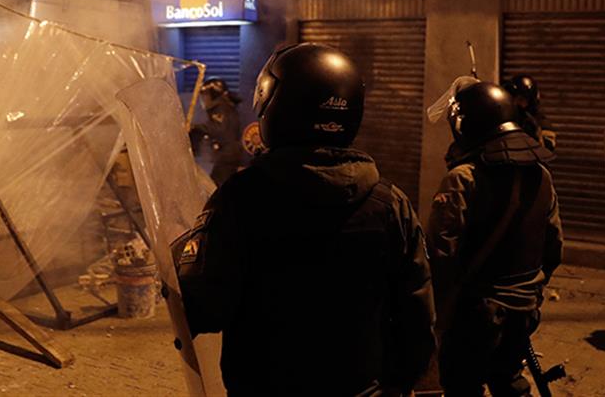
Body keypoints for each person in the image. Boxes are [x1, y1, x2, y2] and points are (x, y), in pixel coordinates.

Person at [172, 43, 435, 396]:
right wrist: (395, 384)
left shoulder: (239, 199)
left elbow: (205, 308)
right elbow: (418, 318)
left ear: (273, 105)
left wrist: (182, 265)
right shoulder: (390, 204)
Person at [425, 80, 562, 397]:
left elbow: (440, 255)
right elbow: (554, 247)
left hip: (475, 313)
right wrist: (527, 292)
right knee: (509, 380)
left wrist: (439, 316)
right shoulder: (542, 176)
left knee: (462, 386)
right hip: (526, 310)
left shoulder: (463, 178)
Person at [189, 77, 245, 186]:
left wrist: (196, 127)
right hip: (228, 155)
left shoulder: (221, 108)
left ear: (213, 95)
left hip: (227, 155)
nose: (203, 100)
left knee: (217, 185)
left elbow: (218, 129)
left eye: (205, 96)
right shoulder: (225, 107)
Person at [505, 75, 557, 152]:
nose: (515, 103)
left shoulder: (539, 123)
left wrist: (535, 134)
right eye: (512, 98)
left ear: (530, 102)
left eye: (520, 99)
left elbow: (546, 150)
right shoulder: (504, 116)